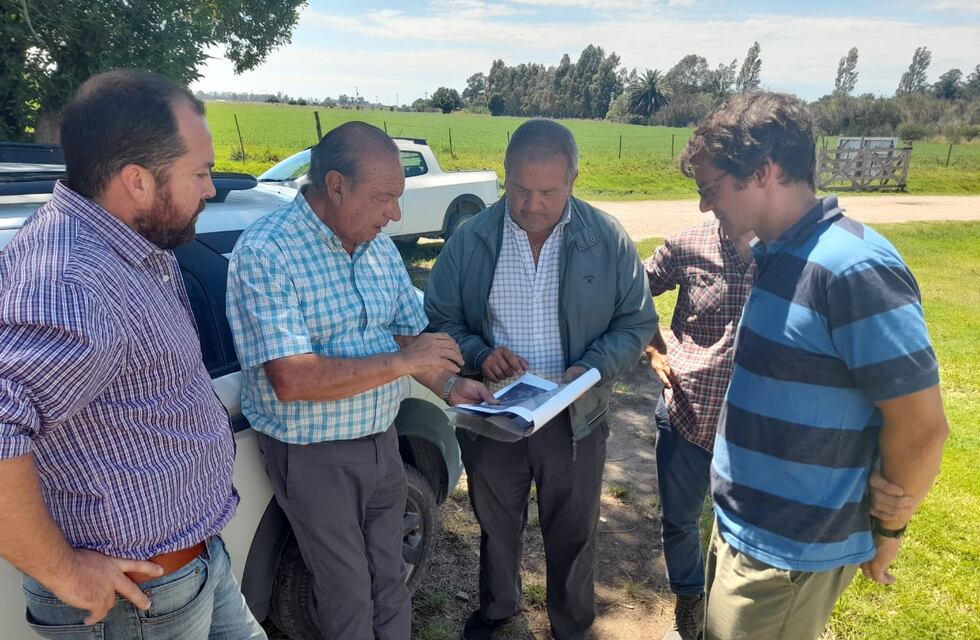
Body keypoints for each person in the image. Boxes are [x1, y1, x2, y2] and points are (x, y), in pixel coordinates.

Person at [0, 70, 265, 639]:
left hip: (191, 567)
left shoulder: (133, 243)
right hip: (135, 604)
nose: (211, 188)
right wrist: (66, 575)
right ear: (137, 181)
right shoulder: (74, 281)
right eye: (200, 172)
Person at [678, 91, 948, 640]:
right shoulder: (777, 254)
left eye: (711, 190)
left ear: (764, 172)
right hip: (741, 526)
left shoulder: (854, 269)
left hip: (788, 552)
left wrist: (889, 524)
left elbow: (922, 426)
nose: (706, 207)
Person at [226, 121, 492, 640]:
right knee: (345, 591)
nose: (394, 213)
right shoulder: (267, 251)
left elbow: (410, 335)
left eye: (398, 197)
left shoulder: (376, 246)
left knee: (390, 575)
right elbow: (291, 379)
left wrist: (451, 387)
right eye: (384, 198)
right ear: (336, 185)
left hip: (381, 440)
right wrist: (404, 363)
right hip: (312, 455)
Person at [425, 119, 659, 640]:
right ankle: (498, 606)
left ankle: (572, 625)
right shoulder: (471, 240)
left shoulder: (606, 238)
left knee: (573, 531)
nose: (531, 205)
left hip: (574, 416)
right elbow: (439, 320)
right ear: (505, 176)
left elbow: (637, 323)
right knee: (495, 522)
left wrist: (591, 367)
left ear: (573, 179)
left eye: (548, 192)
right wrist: (481, 354)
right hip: (495, 415)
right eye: (520, 189)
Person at [643, 219, 754, 639]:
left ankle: (731, 612)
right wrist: (652, 345)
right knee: (680, 520)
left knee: (742, 527)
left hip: (752, 425)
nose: (707, 202)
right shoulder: (688, 244)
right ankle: (689, 599)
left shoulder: (786, 251)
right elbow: (631, 287)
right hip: (686, 410)